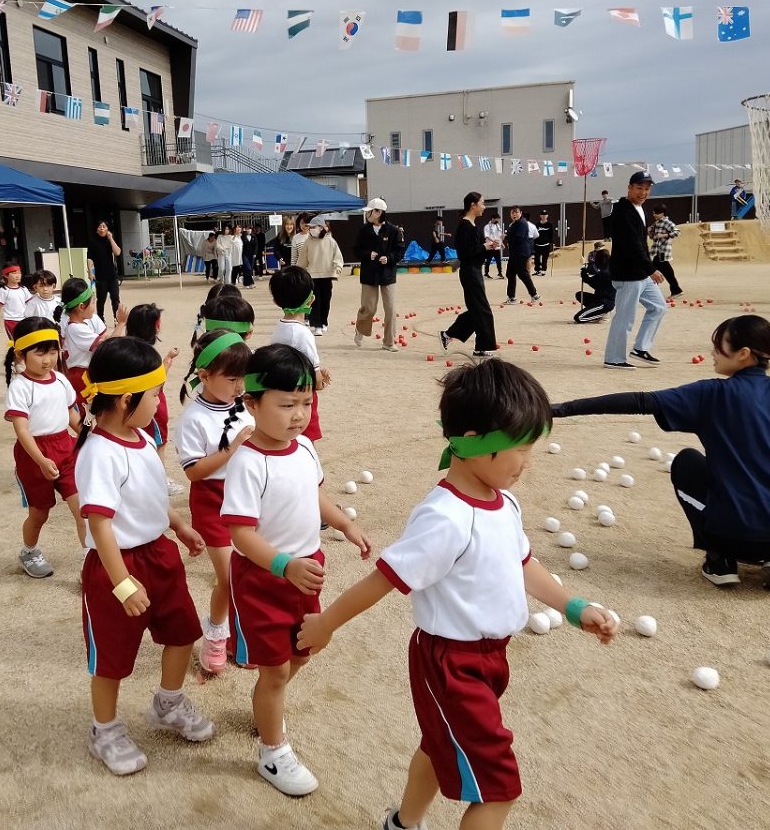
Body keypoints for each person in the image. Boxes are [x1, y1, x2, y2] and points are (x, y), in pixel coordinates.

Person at [297, 358, 616, 830]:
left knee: (439, 744)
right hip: (451, 664)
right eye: (520, 448)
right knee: (499, 789)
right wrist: (325, 624)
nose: (528, 461)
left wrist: (574, 606)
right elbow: (382, 580)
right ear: (473, 442)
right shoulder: (445, 518)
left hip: (491, 657)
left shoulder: (504, 502)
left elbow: (523, 564)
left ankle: (403, 824)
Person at [555, 314, 770, 592]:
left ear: (743, 353)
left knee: (687, 463)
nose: (713, 353)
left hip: (736, 536)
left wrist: (561, 409)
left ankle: (720, 560)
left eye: (719, 346)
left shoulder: (712, 393)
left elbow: (640, 401)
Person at [221, 344, 370, 796]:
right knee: (275, 670)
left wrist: (344, 522)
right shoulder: (247, 461)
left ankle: (267, 706)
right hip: (265, 578)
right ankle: (272, 751)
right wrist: (283, 566)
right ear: (252, 404)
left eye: (306, 403)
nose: (299, 415)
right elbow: (240, 534)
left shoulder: (304, 447)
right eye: (287, 405)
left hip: (307, 572)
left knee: (302, 653)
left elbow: (313, 493)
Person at [74, 336, 214, 776]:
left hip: (159, 556)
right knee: (112, 658)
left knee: (182, 631)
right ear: (125, 400)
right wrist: (121, 582)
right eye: (154, 394)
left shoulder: (140, 437)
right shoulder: (99, 453)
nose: (159, 402)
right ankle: (104, 730)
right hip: (118, 566)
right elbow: (100, 524)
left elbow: (149, 495)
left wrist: (179, 526)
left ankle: (168, 704)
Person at [176, 329, 254, 675]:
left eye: (243, 378)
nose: (240, 386)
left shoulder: (247, 405)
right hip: (213, 502)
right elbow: (193, 472)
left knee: (250, 573)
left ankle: (243, 638)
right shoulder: (193, 418)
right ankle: (217, 636)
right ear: (205, 376)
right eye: (232, 379)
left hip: (248, 497)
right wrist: (232, 449)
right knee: (230, 577)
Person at [1, 316, 87, 579]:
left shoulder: (60, 380)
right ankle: (29, 551)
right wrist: (40, 459)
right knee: (39, 514)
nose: (48, 360)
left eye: (52, 352)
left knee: (83, 508)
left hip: (65, 449)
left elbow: (72, 416)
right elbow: (22, 429)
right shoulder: (20, 387)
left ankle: (90, 562)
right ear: (20, 354)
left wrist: (89, 437)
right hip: (33, 455)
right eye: (40, 353)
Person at [602, 171, 667, 370]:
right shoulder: (622, 211)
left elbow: (642, 244)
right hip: (627, 274)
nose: (643, 192)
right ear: (629, 188)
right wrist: (651, 269)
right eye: (639, 188)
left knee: (658, 307)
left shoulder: (639, 209)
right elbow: (631, 245)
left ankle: (640, 348)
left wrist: (647, 268)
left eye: (647, 189)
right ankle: (613, 358)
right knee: (625, 317)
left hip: (640, 273)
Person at [125, 302, 183, 496]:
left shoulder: (125, 351)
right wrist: (168, 361)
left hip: (132, 407)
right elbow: (157, 382)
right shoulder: (149, 356)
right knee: (159, 444)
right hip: (153, 409)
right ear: (156, 326)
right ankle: (159, 479)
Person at [270, 266, 331, 444]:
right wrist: (321, 380)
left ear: (276, 301)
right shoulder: (303, 335)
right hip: (301, 398)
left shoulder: (279, 329)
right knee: (305, 443)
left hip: (282, 395)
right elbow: (316, 381)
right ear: (311, 299)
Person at [440, 191, 498, 358]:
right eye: (482, 203)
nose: (484, 207)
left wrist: (489, 247)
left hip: (475, 270)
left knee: (476, 310)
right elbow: (464, 254)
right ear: (473, 205)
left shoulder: (473, 225)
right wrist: (483, 247)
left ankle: (448, 335)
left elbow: (477, 250)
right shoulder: (464, 226)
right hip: (469, 272)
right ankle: (482, 347)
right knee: (482, 310)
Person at [56, 277, 126, 395]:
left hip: (83, 373)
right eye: (93, 302)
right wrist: (121, 323)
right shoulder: (76, 329)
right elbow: (108, 347)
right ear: (81, 306)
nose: (94, 306)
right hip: (81, 377)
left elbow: (104, 339)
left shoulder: (78, 325)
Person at [354, 197, 403, 352]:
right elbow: (356, 250)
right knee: (369, 308)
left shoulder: (394, 230)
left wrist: (389, 258)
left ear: (379, 212)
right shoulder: (363, 230)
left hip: (388, 274)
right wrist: (368, 255)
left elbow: (399, 250)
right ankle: (360, 329)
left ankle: (389, 342)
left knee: (390, 309)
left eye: (370, 211)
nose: (367, 214)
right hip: (369, 274)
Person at [296, 216, 344, 335]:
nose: (311, 229)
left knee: (326, 301)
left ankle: (323, 322)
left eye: (314, 227)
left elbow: (338, 257)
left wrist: (338, 267)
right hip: (312, 276)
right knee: (314, 301)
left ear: (321, 228)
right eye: (310, 227)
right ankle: (315, 324)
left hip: (327, 275)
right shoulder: (308, 242)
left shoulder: (331, 241)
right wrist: (298, 271)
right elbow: (302, 259)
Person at [503, 207, 539, 305]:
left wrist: (506, 237)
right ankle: (511, 297)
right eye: (512, 213)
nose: (514, 214)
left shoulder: (522, 224)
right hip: (514, 253)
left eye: (516, 212)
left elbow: (519, 238)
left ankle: (534, 295)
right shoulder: (514, 224)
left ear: (520, 213)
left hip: (520, 253)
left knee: (522, 274)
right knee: (510, 273)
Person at [89, 222, 122, 322]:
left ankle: (116, 318)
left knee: (115, 298)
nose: (102, 228)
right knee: (101, 299)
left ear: (107, 229)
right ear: (96, 230)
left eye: (104, 226)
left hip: (112, 275)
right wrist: (90, 272)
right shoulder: (93, 242)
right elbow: (89, 258)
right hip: (100, 276)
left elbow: (117, 252)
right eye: (99, 226)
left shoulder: (109, 241)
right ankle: (101, 319)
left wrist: (111, 238)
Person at [573, 247, 616, 323]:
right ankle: (595, 313)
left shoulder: (605, 273)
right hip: (599, 298)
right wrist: (585, 266)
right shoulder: (607, 268)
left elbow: (590, 281)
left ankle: (603, 315)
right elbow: (593, 271)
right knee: (580, 295)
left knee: (579, 318)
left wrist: (583, 268)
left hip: (605, 302)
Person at [649, 204, 683, 297]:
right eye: (653, 213)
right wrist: (650, 232)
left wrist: (664, 235)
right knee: (659, 270)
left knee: (660, 270)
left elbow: (677, 232)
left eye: (656, 213)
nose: (654, 215)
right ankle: (675, 290)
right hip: (657, 250)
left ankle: (675, 290)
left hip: (663, 251)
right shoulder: (656, 223)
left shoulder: (667, 222)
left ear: (662, 214)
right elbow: (653, 237)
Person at [0, 264, 31, 337]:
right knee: (14, 341)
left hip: (24, 319)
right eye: (14, 273)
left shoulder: (24, 289)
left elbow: (31, 303)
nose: (18, 276)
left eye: (19, 273)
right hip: (10, 320)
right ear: (6, 275)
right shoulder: (4, 290)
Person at [532, 209, 555, 276]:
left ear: (547, 216)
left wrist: (551, 241)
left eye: (545, 215)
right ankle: (537, 270)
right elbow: (534, 234)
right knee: (536, 258)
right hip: (537, 244)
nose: (544, 216)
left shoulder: (549, 224)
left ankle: (543, 270)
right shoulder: (537, 225)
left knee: (544, 258)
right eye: (542, 215)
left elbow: (551, 233)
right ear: (540, 216)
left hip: (546, 244)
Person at [482, 212, 504, 278]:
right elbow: (487, 236)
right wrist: (493, 241)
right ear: (492, 219)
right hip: (490, 246)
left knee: (498, 260)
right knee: (488, 260)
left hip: (497, 246)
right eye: (496, 219)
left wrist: (501, 243)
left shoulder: (498, 226)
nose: (497, 220)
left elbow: (499, 236)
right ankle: (486, 273)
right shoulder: (487, 226)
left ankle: (500, 273)